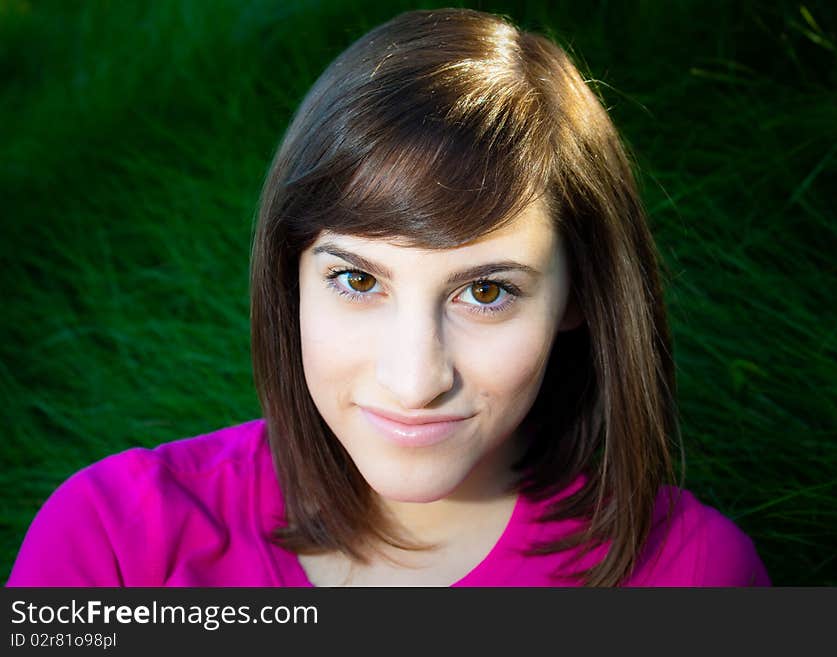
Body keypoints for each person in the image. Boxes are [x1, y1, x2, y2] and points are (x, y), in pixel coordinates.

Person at [6, 7, 769, 587]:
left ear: (581, 295)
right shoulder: (115, 542)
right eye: (359, 280)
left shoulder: (689, 573)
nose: (414, 378)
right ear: (289, 278)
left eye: (486, 290)